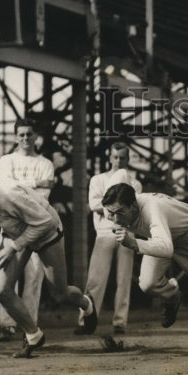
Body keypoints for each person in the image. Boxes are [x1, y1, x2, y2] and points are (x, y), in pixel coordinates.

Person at [0, 168, 97, 357]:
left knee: (60, 293)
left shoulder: (8, 195)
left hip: (45, 231)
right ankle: (34, 335)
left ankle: (86, 303)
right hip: (13, 231)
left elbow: (46, 222)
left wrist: (14, 246)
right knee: (1, 290)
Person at [100, 183, 188, 353]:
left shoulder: (153, 209)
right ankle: (173, 295)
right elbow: (160, 241)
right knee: (148, 283)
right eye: (110, 213)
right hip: (159, 237)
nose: (115, 219)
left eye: (120, 212)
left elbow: (166, 248)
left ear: (134, 205)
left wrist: (133, 242)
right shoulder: (119, 210)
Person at [0, 117, 55, 341]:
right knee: (7, 276)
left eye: (29, 134)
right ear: (15, 137)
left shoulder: (45, 164)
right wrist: (37, 184)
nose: (25, 138)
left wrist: (22, 186)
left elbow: (42, 197)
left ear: (36, 136)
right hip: (11, 223)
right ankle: (7, 324)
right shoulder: (6, 160)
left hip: (36, 224)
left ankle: (29, 324)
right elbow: (5, 191)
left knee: (34, 276)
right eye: (21, 134)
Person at [78, 142, 141, 335]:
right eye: (115, 157)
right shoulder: (98, 179)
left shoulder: (135, 182)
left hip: (126, 232)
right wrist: (119, 207)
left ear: (127, 159)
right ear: (110, 158)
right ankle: (85, 320)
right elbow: (93, 204)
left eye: (122, 158)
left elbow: (135, 209)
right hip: (105, 232)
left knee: (124, 279)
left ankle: (120, 322)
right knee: (95, 279)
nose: (118, 161)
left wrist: (109, 205)